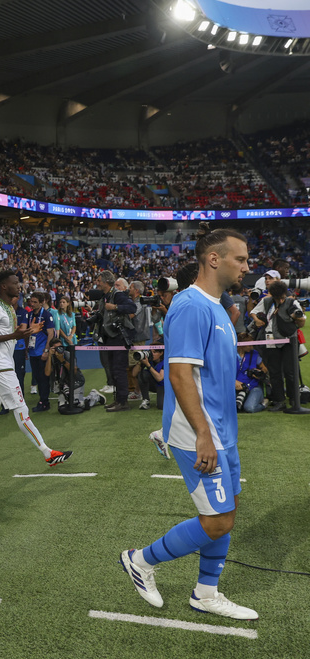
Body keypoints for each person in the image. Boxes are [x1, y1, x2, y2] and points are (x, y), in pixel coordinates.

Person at [119, 226, 258, 621]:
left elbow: (204, 370)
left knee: (226, 511)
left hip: (221, 430)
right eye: (241, 259)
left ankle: (205, 593)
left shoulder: (217, 306)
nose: (246, 267)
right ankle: (140, 560)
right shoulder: (191, 305)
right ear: (214, 259)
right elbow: (179, 375)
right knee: (217, 520)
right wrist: (202, 435)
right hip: (199, 431)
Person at [0, 271, 73, 471]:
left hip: (0, 365)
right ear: (4, 286)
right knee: (21, 410)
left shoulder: (9, 308)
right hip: (0, 367)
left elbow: (7, 335)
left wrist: (28, 331)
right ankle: (48, 453)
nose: (19, 285)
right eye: (15, 282)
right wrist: (15, 334)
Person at [250, 280, 305, 412]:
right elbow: (253, 312)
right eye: (277, 297)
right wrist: (257, 320)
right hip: (270, 339)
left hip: (289, 340)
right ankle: (279, 400)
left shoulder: (292, 303)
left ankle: (293, 399)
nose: (280, 300)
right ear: (272, 294)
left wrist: (298, 318)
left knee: (290, 372)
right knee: (274, 372)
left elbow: (301, 323)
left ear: (285, 294)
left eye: (282, 297)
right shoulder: (267, 301)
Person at [93, 270, 138, 411]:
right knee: (113, 370)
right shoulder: (106, 296)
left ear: (107, 282)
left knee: (119, 370)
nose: (97, 283)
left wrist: (115, 307)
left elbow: (132, 307)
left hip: (118, 337)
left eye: (99, 281)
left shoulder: (117, 295)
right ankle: (118, 399)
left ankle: (123, 402)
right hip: (110, 337)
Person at [26, 293, 55, 412]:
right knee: (37, 377)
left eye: (35, 302)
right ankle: (42, 400)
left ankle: (44, 402)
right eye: (31, 302)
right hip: (33, 351)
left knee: (43, 378)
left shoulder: (47, 315)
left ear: (42, 302)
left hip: (42, 351)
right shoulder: (30, 314)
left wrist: (46, 350)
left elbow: (51, 334)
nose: (32, 304)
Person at [235, 333, 269, 414]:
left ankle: (264, 403)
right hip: (235, 385)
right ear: (241, 344)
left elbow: (264, 369)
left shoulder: (254, 354)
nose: (251, 347)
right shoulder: (231, 354)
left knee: (250, 408)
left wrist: (260, 373)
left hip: (253, 386)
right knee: (233, 407)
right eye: (249, 345)